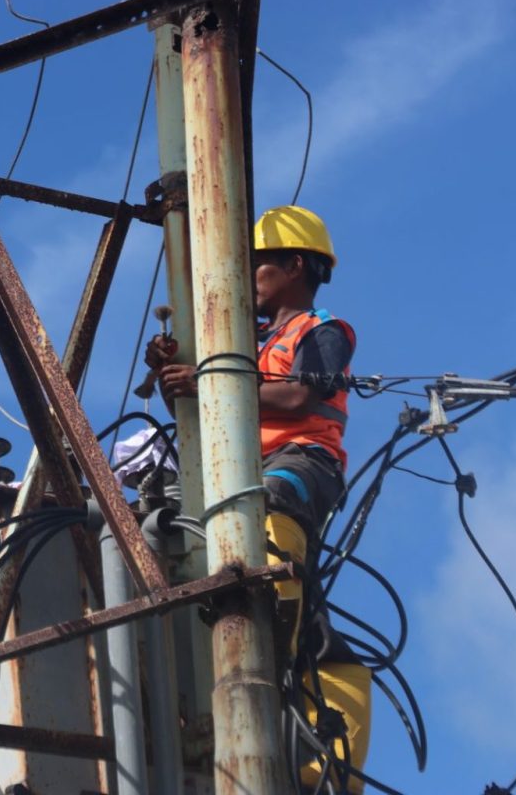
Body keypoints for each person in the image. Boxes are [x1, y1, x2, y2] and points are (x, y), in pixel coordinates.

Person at [145, 206, 370, 792]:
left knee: (269, 500)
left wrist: (210, 378)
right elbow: (214, 408)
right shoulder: (250, 344)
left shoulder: (323, 330)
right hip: (246, 470)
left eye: (258, 263)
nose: (247, 274)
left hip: (303, 465)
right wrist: (180, 380)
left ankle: (273, 608)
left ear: (295, 265)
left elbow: (298, 399)